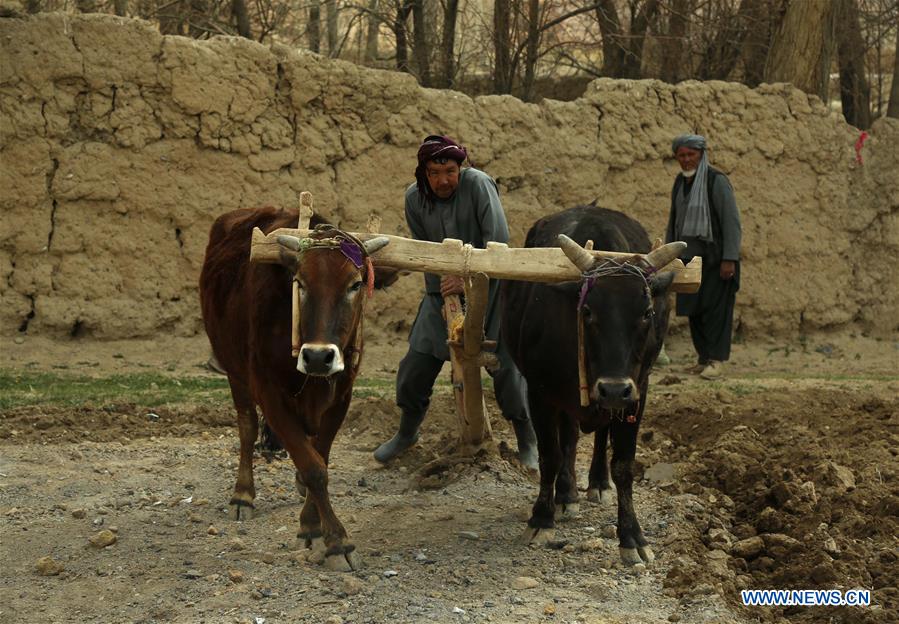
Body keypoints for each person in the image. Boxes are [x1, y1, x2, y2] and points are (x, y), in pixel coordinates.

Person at [374, 135, 538, 469]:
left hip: (492, 293)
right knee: (414, 369)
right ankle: (407, 433)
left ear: (460, 168)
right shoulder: (414, 198)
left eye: (450, 171)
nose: (443, 180)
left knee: (507, 374)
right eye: (434, 173)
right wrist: (444, 289)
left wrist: (467, 278)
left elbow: (498, 241)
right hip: (442, 295)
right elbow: (425, 251)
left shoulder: (478, 185)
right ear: (424, 173)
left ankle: (527, 440)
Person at [665, 134, 742, 380]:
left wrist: (729, 258)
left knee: (716, 312)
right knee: (694, 310)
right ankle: (703, 358)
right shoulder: (680, 182)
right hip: (689, 260)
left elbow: (731, 222)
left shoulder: (716, 181)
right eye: (682, 155)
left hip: (716, 260)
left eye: (691, 154)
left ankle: (716, 361)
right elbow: (674, 220)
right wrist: (670, 252)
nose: (686, 159)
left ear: (701, 155)